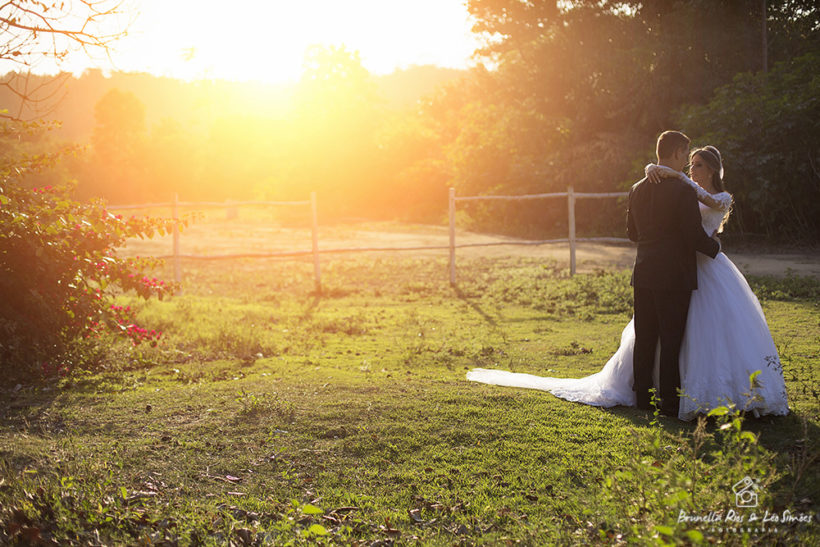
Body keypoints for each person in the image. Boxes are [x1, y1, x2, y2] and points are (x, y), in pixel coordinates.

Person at [466, 136, 789, 421]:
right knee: (671, 339)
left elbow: (632, 233)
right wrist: (714, 248)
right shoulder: (680, 190)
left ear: (712, 169)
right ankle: (668, 404)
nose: (691, 168)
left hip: (650, 270)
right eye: (688, 159)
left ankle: (642, 400)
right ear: (677, 154)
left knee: (649, 338)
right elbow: (691, 236)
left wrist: (661, 175)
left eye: (698, 164)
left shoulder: (640, 187)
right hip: (679, 271)